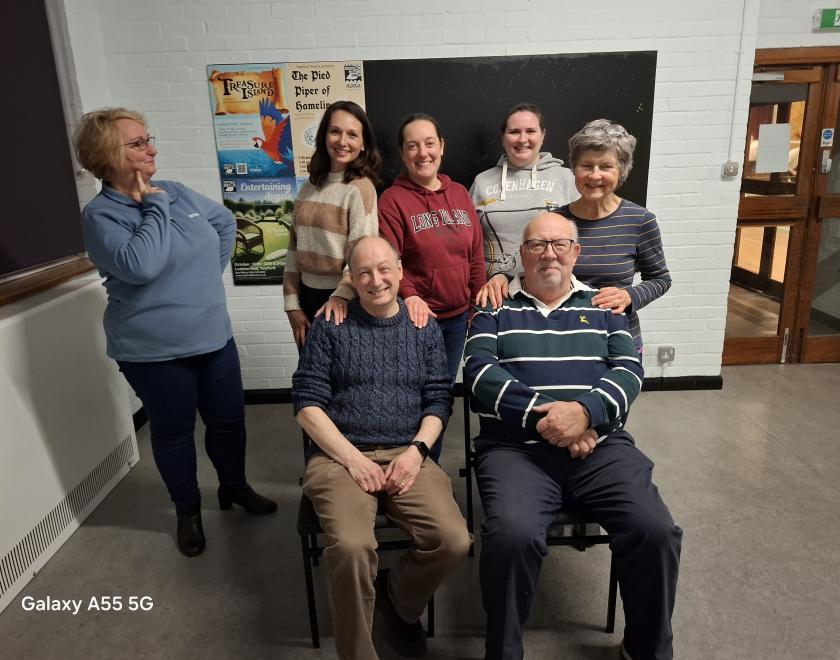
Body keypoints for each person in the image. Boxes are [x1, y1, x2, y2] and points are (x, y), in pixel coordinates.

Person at [464, 212, 682, 660]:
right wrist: (553, 422)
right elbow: (480, 374)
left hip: (599, 447)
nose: (549, 253)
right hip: (515, 449)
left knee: (655, 529)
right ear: (520, 255)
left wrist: (585, 414)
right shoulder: (493, 307)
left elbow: (629, 372)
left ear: (576, 252)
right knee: (512, 536)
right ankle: (503, 653)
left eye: (560, 244)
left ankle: (646, 649)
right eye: (537, 245)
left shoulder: (605, 308)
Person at [74, 108, 276, 558]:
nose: (153, 149)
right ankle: (187, 510)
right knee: (173, 431)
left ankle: (234, 488)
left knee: (228, 421)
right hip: (154, 351)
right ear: (108, 154)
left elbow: (224, 223)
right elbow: (139, 264)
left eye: (150, 139)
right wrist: (154, 206)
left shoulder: (180, 192)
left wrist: (203, 277)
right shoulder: (102, 215)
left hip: (213, 337)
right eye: (139, 143)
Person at [293, 236, 471, 660]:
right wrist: (353, 460)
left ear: (399, 270)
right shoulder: (331, 325)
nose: (376, 280)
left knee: (453, 540)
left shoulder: (422, 326)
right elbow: (306, 405)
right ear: (350, 278)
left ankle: (398, 599)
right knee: (353, 547)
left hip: (405, 451)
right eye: (364, 272)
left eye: (384, 269)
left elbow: (437, 400)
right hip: (339, 456)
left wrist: (416, 452)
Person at [477, 118, 670, 352]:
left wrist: (629, 296)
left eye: (606, 166)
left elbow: (660, 279)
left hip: (616, 340)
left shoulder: (640, 220)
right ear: (574, 169)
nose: (594, 175)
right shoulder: (556, 220)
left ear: (621, 170)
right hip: (561, 339)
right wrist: (502, 277)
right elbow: (531, 265)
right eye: (586, 166)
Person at [378, 113, 485, 458]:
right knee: (412, 397)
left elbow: (476, 255)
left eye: (429, 143)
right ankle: (405, 466)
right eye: (413, 146)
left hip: (457, 321)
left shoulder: (460, 193)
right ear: (402, 153)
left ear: (441, 147)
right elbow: (390, 263)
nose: (422, 153)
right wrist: (410, 296)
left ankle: (427, 468)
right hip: (415, 320)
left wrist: (475, 304)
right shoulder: (392, 201)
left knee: (439, 398)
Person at [284, 100, 381, 349]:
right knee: (312, 379)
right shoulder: (309, 186)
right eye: (335, 131)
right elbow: (294, 249)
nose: (342, 141)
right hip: (306, 299)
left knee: (342, 383)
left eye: (352, 134)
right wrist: (292, 304)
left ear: (363, 145)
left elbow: (362, 259)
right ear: (324, 135)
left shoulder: (360, 189)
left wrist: (340, 297)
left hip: (343, 302)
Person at [470, 102, 578, 285]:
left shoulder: (567, 179)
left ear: (543, 135)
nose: (522, 139)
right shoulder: (482, 182)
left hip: (550, 289)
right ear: (503, 137)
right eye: (514, 132)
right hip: (493, 293)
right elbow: (468, 242)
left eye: (530, 131)